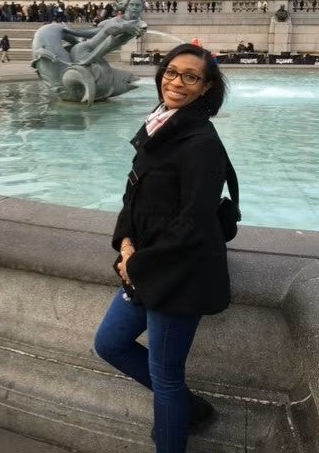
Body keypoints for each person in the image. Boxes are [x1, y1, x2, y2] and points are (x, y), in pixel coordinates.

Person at [95, 43, 231, 453]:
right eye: (172, 72)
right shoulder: (161, 125)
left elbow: (193, 223)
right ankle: (191, 409)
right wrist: (125, 243)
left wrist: (138, 262)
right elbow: (133, 196)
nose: (176, 82)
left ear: (206, 88)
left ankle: (175, 426)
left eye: (191, 77)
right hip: (144, 265)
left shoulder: (200, 143)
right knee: (110, 344)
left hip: (179, 274)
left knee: (166, 376)